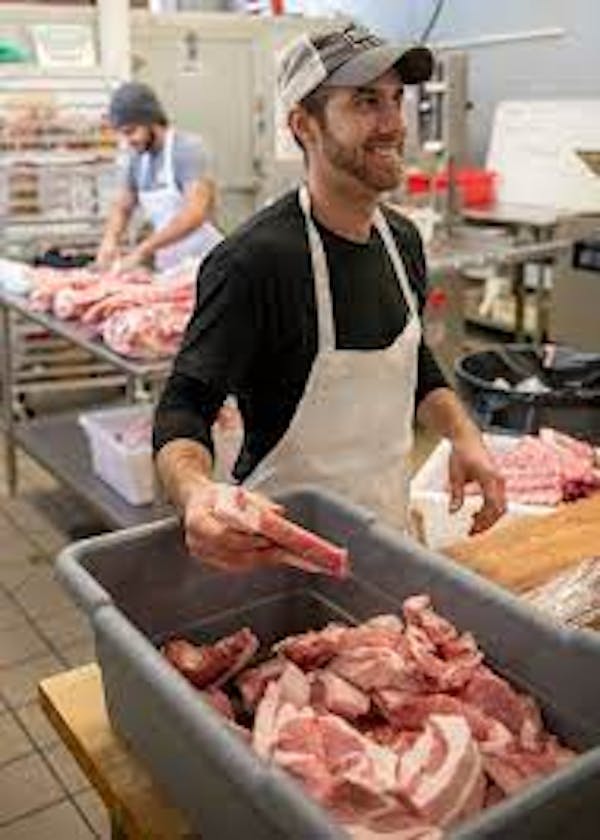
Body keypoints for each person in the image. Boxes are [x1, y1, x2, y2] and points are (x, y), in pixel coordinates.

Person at [153, 22, 506, 570]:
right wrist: (197, 493)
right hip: (281, 556)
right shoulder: (253, 261)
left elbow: (414, 360)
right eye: (366, 102)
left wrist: (464, 436)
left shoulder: (402, 240)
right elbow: (184, 405)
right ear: (304, 125)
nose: (392, 123)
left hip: (388, 532)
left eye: (396, 99)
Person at [96, 81, 223, 273]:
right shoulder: (137, 158)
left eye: (131, 131)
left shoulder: (187, 149)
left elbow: (195, 213)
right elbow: (123, 207)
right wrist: (110, 240)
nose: (128, 140)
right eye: (123, 134)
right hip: (170, 265)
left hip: (205, 261)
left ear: (151, 121)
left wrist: (143, 249)